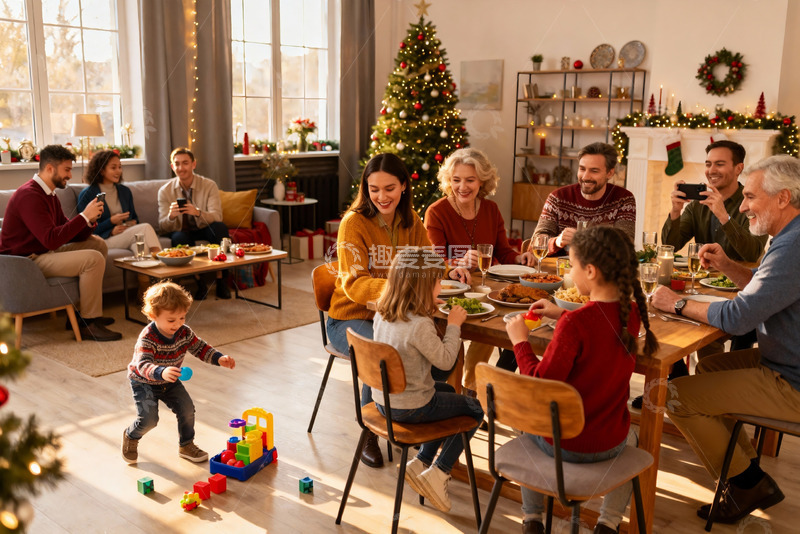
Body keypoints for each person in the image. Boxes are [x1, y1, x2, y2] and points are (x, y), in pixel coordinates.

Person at [651, 155, 800, 525]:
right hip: (783, 359)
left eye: (750, 197)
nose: (744, 206)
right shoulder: (788, 236)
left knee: (674, 395)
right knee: (711, 365)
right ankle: (747, 470)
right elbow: (766, 292)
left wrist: (678, 303)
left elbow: (737, 318)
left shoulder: (792, 246)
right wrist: (728, 266)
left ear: (782, 198)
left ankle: (747, 482)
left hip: (792, 380)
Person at [506, 226, 658, 534]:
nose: (570, 272)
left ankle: (532, 519)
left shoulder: (576, 324)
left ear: (590, 270)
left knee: (526, 419)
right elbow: (596, 330)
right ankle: (608, 523)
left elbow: (539, 384)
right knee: (633, 437)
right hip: (611, 444)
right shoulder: (630, 312)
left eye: (572, 266)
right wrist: (559, 314)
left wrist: (520, 341)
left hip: (564, 445)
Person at [327, 152, 470, 469]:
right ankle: (370, 432)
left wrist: (449, 271)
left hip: (396, 316)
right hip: (349, 319)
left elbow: (426, 260)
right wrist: (402, 293)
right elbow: (354, 283)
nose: (381, 196)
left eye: (389, 188)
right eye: (374, 189)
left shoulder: (411, 220)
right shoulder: (354, 224)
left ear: (404, 186)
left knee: (442, 351)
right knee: (383, 354)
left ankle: (415, 414)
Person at [373, 247, 484, 513]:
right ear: (422, 286)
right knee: (475, 408)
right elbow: (446, 361)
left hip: (382, 403)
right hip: (411, 407)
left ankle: (421, 462)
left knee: (445, 390)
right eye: (437, 281)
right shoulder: (419, 324)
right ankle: (440, 471)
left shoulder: (382, 312)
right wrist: (455, 325)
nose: (440, 286)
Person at [425, 147, 534, 396]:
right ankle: (472, 391)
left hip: (485, 288)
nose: (462, 186)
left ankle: (475, 389)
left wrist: (519, 257)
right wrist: (458, 263)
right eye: (456, 180)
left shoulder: (491, 210)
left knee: (508, 320)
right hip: (451, 291)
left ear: (482, 180)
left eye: (470, 180)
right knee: (490, 325)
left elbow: (504, 252)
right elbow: (435, 260)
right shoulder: (437, 212)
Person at [0, 144, 122, 342]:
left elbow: (69, 232)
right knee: (92, 259)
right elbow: (51, 239)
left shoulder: (49, 194)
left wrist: (89, 219)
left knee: (98, 244)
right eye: (67, 170)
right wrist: (83, 216)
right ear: (50, 168)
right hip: (25, 262)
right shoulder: (29, 195)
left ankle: (84, 314)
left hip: (42, 253)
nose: (70, 175)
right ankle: (87, 324)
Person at [122, 281, 236, 465]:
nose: (178, 324)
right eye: (171, 320)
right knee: (149, 420)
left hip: (170, 379)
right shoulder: (147, 338)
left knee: (187, 409)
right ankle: (131, 435)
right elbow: (142, 365)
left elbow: (200, 347)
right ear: (153, 316)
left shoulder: (183, 332)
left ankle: (186, 445)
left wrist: (219, 358)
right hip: (144, 382)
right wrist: (162, 371)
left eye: (182, 317)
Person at [661, 140, 767, 263]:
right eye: (708, 164)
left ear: (738, 169)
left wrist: (724, 217)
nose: (711, 171)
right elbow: (670, 247)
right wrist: (675, 211)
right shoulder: (697, 205)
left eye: (719, 164)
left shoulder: (756, 203)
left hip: (741, 280)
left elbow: (752, 254)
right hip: (703, 278)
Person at [531, 142, 636, 256]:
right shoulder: (557, 197)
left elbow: (625, 245)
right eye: (582, 169)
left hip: (604, 270)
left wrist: (585, 240)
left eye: (594, 171)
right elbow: (536, 242)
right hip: (559, 270)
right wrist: (556, 242)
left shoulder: (624, 199)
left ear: (610, 173)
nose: (585, 176)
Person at [157, 147, 231, 300]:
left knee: (220, 228)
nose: (181, 168)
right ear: (172, 167)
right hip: (181, 230)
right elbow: (162, 227)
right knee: (178, 239)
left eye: (185, 163)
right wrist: (171, 216)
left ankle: (221, 279)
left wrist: (197, 212)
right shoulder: (165, 191)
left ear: (193, 164)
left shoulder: (209, 185)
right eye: (177, 164)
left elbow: (217, 216)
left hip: (203, 226)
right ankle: (200, 283)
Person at [77, 150, 161, 256]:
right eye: (113, 168)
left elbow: (135, 218)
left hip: (125, 235)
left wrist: (130, 223)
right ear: (102, 170)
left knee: (140, 247)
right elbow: (84, 229)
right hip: (104, 239)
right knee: (145, 227)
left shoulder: (124, 191)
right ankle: (161, 259)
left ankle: (145, 272)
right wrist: (111, 224)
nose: (118, 171)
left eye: (119, 167)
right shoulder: (87, 194)